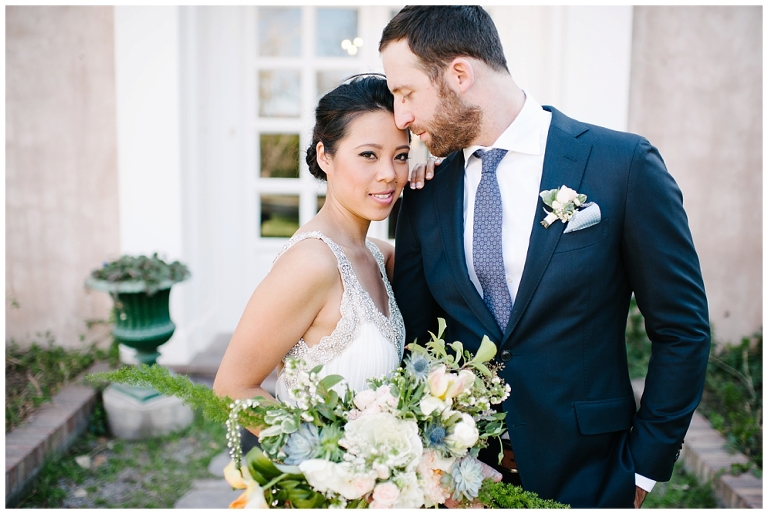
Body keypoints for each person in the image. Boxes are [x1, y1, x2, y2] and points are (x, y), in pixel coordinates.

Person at [380, 6, 710, 509]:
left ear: (460, 75)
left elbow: (682, 329)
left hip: (592, 472)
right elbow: (416, 339)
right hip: (462, 480)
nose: (401, 118)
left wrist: (644, 465)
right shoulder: (424, 193)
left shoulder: (621, 166)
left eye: (406, 94)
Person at [213, 74, 409, 426]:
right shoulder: (312, 263)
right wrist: (331, 462)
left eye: (402, 156)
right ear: (325, 157)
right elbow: (232, 389)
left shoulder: (378, 256)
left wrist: (435, 186)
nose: (388, 174)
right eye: (368, 154)